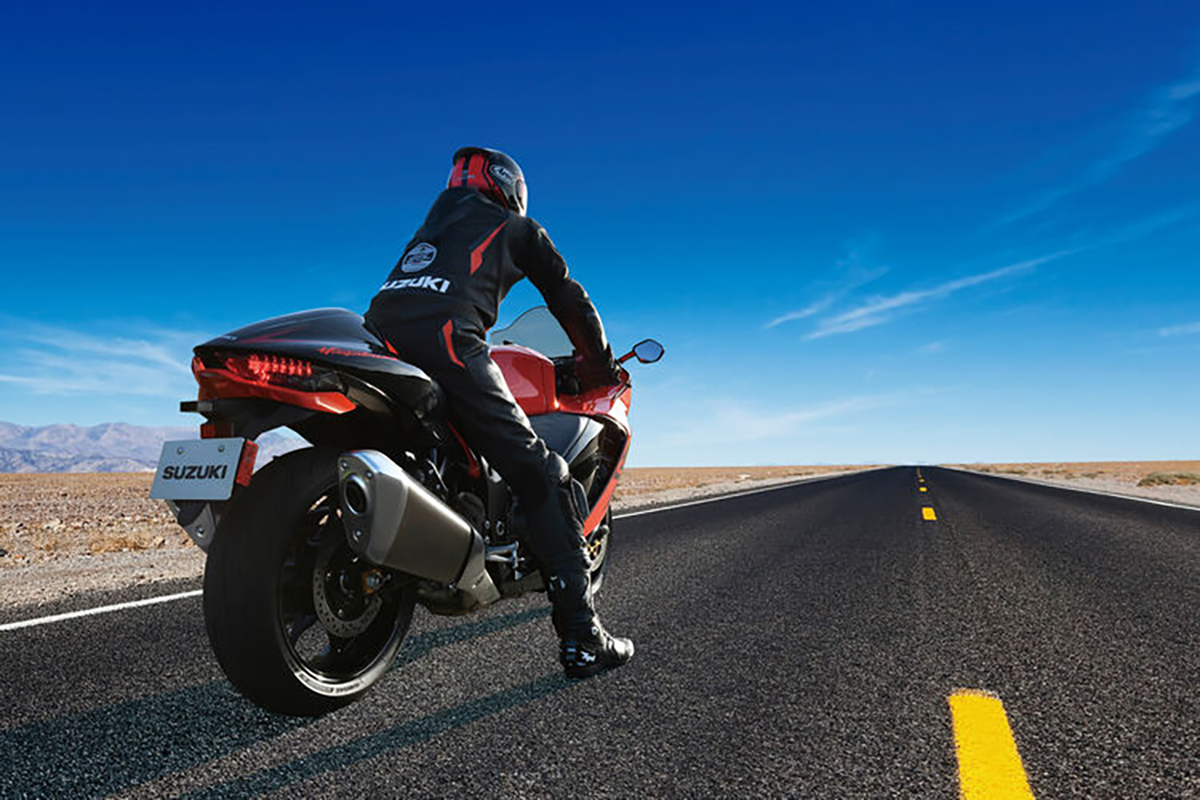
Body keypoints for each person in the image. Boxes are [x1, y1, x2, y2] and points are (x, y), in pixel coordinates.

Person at [365, 147, 634, 679]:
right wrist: (600, 365)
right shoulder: (516, 228)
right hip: (448, 344)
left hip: (379, 345)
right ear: (510, 187)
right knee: (545, 473)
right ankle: (583, 637)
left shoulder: (429, 230)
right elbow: (568, 298)